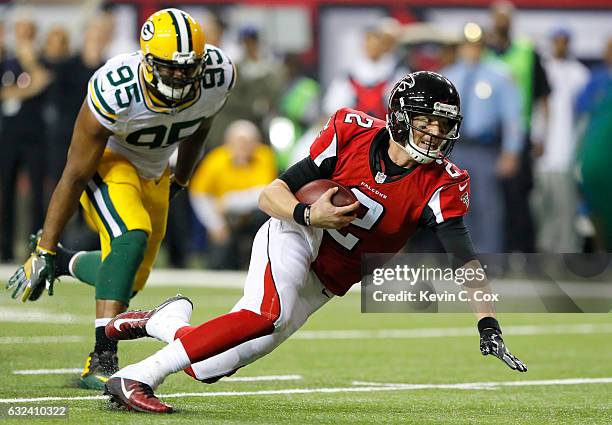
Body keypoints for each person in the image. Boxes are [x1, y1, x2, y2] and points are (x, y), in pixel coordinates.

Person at [100, 71, 527, 413]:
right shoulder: (352, 131)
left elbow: (464, 259)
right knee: (265, 312)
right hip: (296, 233)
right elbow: (271, 195)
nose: (436, 133)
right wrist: (309, 214)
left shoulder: (444, 182)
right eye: (427, 122)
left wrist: (487, 322)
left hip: (327, 279)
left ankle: (161, 322)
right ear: (400, 117)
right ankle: (137, 376)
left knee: (211, 366)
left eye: (444, 125)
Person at [6, 8, 235, 390]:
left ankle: (68, 261)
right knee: (132, 236)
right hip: (109, 164)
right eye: (170, 67)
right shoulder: (116, 88)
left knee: (127, 280)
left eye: (188, 67)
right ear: (147, 61)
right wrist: (43, 246)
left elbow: (201, 123)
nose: (180, 76)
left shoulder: (216, 75)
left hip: (157, 168)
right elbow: (74, 173)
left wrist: (181, 177)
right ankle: (101, 357)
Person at [442, 23, 523, 253]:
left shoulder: (500, 75)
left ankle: (489, 256)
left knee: (487, 205)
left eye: (476, 46)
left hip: (485, 147)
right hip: (455, 148)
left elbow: (512, 118)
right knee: (456, 204)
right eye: (468, 45)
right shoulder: (450, 75)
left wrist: (511, 151)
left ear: (483, 47)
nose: (472, 51)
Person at [189, 119, 276, 269]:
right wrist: (215, 225)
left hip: (253, 216)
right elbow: (199, 195)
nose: (242, 147)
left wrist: (229, 202)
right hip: (225, 219)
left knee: (264, 218)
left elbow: (265, 192)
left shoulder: (264, 156)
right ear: (228, 142)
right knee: (219, 262)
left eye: (248, 142)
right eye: (238, 142)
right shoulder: (215, 160)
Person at [531, 28, 589, 253]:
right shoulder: (541, 69)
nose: (561, 45)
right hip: (541, 150)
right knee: (539, 205)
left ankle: (567, 253)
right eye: (557, 41)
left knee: (565, 207)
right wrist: (537, 138)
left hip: (566, 151)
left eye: (565, 41)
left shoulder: (579, 74)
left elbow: (582, 118)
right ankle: (542, 251)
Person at [0, 16, 51, 262]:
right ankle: (5, 249)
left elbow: (43, 80)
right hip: (8, 137)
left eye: (27, 33)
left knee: (37, 197)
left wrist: (29, 61)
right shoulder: (6, 62)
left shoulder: (37, 61)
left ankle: (38, 248)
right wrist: (26, 89)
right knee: (5, 193)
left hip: (35, 138)